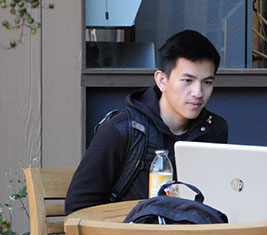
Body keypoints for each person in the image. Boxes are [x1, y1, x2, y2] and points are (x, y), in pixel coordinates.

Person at [65, 30, 228, 214]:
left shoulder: (214, 129)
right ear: (161, 80)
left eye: (207, 82)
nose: (198, 92)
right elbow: (77, 207)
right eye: (187, 80)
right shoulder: (121, 129)